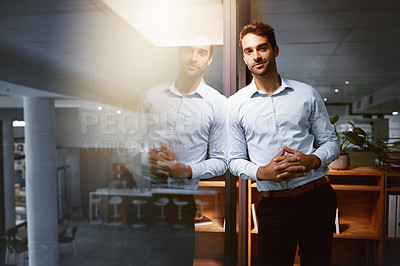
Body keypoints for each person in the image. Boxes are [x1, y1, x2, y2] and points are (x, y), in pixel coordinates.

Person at [228, 21, 340, 266]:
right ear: (245, 57)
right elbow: (233, 160)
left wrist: (313, 160)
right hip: (273, 205)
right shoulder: (235, 105)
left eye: (262, 48)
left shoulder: (306, 93)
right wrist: (262, 172)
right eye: (249, 51)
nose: (256, 56)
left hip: (316, 198)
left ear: (275, 50)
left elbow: (331, 143)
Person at [131, 44, 227, 265]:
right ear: (178, 53)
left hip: (182, 202)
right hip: (145, 198)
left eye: (202, 52)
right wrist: (145, 158)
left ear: (210, 59)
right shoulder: (152, 95)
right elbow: (131, 142)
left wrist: (186, 170)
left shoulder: (218, 103)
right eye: (188, 50)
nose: (193, 58)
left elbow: (222, 161)